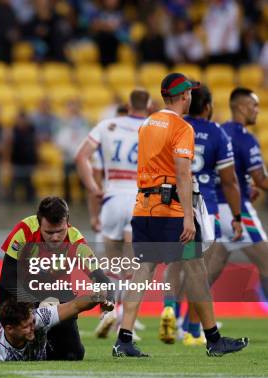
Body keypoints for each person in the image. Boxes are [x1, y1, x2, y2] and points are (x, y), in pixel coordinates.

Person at [112, 73, 248, 358]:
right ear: (184, 96)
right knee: (196, 268)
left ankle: (123, 339)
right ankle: (213, 339)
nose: (190, 97)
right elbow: (183, 174)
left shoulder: (148, 123)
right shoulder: (181, 127)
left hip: (144, 207)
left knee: (144, 271)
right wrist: (188, 217)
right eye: (188, 93)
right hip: (170, 209)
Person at [160, 85, 243, 346]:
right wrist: (237, 216)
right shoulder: (217, 133)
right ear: (207, 107)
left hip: (174, 203)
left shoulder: (175, 127)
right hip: (205, 207)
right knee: (199, 271)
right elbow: (229, 182)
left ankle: (169, 307)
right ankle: (193, 331)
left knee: (176, 263)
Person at [0, 196, 114, 360]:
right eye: (49, 232)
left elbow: (102, 279)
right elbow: (8, 279)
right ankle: (5, 334)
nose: (55, 238)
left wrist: (109, 300)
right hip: (21, 295)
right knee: (5, 290)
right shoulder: (24, 231)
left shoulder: (76, 241)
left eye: (60, 231)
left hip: (55, 297)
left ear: (67, 223)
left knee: (73, 355)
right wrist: (35, 308)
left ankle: (38, 347)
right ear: (39, 224)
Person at [75, 89, 151, 338]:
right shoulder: (153, 127)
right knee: (132, 267)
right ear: (148, 105)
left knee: (111, 265)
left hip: (111, 197)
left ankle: (109, 311)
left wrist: (94, 188)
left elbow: (81, 157)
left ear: (129, 104)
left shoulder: (108, 125)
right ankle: (124, 324)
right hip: (138, 198)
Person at [205, 88, 268, 303]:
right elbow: (261, 180)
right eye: (254, 105)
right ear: (241, 107)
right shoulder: (245, 138)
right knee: (267, 263)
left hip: (214, 209)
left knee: (210, 272)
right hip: (236, 209)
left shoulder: (218, 132)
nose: (257, 111)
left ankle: (186, 324)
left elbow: (219, 173)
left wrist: (244, 185)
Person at [0, 295, 114, 361]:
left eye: (31, 323)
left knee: (75, 353)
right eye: (26, 327)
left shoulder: (37, 319)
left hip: (42, 346)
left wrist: (98, 297)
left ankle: (46, 303)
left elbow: (75, 305)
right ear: (9, 329)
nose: (32, 329)